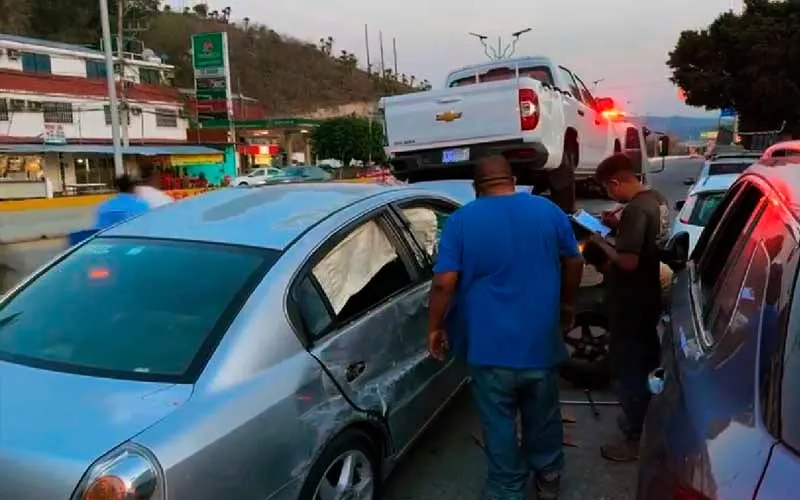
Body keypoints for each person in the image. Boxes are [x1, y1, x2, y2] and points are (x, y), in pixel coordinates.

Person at [427, 155, 584, 500]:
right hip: (540, 343)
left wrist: (435, 326)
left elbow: (444, 282)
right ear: (512, 179)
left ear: (475, 187)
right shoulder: (547, 211)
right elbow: (574, 260)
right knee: (542, 413)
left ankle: (507, 488)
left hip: (488, 348)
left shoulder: (461, 221)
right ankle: (548, 475)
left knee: (497, 421)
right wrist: (567, 304)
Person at [587, 152, 669, 462]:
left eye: (608, 190)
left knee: (628, 367)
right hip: (649, 295)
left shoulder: (636, 209)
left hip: (631, 300)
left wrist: (600, 242)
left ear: (615, 182)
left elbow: (628, 261)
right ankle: (645, 422)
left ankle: (636, 437)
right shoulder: (656, 199)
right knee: (647, 359)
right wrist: (616, 225)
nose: (610, 195)